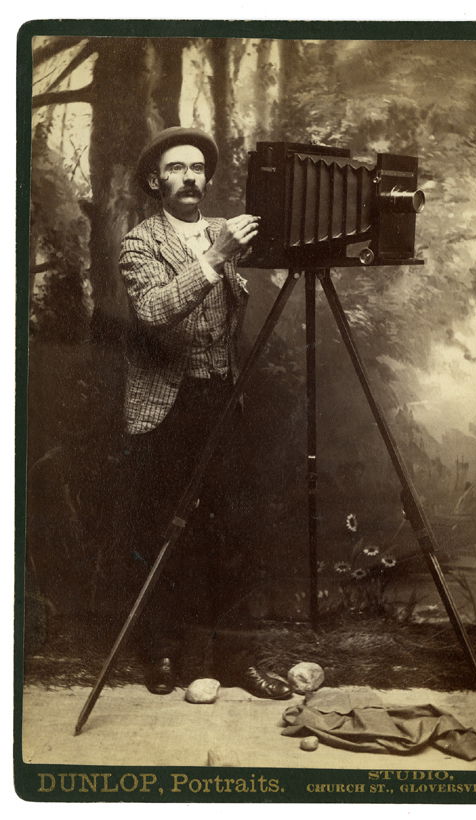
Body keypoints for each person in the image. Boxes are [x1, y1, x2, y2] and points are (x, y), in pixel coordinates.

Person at [118, 127, 291, 700]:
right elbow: (152, 310)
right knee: (166, 532)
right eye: (175, 168)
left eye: (197, 168)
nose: (189, 177)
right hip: (167, 406)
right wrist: (215, 259)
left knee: (234, 531)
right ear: (155, 182)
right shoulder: (139, 243)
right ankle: (162, 653)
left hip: (221, 397)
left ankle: (237, 659)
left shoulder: (227, 229)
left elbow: (287, 247)